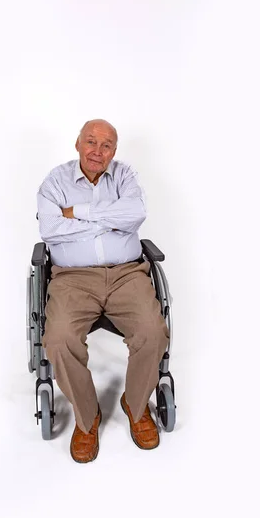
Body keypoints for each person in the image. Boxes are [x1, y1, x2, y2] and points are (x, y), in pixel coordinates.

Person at [37, 119, 169, 463]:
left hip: (127, 274)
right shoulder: (55, 181)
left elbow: (136, 213)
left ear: (114, 151)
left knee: (153, 333)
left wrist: (78, 215)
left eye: (106, 145)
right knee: (59, 339)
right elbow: (51, 230)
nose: (98, 151)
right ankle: (87, 416)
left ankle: (136, 406)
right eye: (91, 142)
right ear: (78, 143)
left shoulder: (124, 176)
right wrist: (110, 221)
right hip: (72, 278)